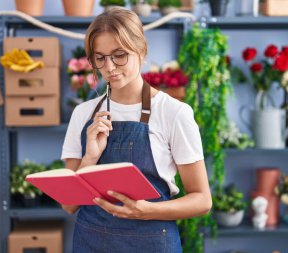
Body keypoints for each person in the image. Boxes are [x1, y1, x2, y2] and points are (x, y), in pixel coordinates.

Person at [61, 7, 212, 253]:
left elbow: (202, 200)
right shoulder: (84, 114)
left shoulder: (174, 113)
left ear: (141, 50)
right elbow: (68, 206)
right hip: (91, 242)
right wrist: (90, 157)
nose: (109, 67)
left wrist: (146, 210)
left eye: (119, 55)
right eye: (100, 57)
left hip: (152, 242)